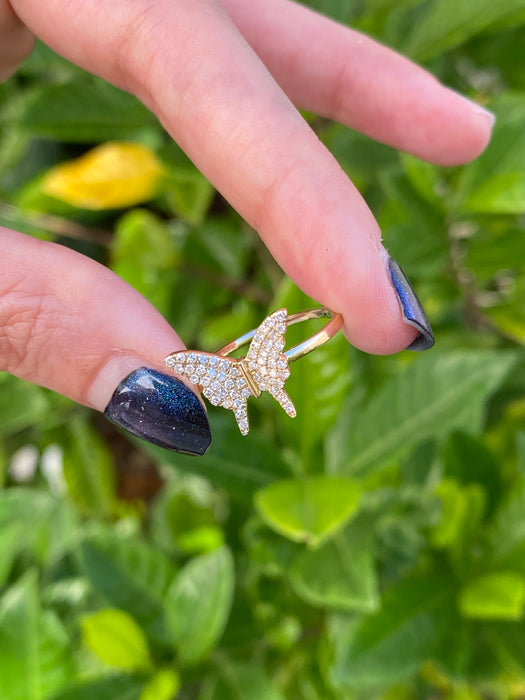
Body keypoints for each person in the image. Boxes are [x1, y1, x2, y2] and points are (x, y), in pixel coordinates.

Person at [0, 0, 494, 455]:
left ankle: (261, 387)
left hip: (249, 367)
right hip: (250, 368)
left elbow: (278, 329)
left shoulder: (234, 365)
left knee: (261, 362)